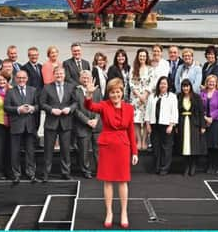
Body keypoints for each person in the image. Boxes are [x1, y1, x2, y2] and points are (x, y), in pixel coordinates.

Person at [84, 77, 139, 229]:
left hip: (123, 147)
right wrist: (88, 95)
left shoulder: (129, 108)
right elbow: (90, 106)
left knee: (123, 181)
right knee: (107, 181)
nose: (115, 95)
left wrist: (134, 152)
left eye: (118, 92)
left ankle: (123, 213)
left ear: (122, 92)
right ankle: (109, 212)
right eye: (112, 92)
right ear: (109, 94)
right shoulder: (103, 105)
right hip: (107, 146)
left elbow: (130, 130)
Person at [40, 66, 77, 181]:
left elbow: (75, 102)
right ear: (54, 75)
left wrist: (70, 109)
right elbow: (42, 103)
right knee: (48, 150)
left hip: (66, 123)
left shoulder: (70, 87)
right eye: (57, 74)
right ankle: (46, 174)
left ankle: (65, 173)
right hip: (51, 122)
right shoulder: (47, 87)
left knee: (65, 150)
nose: (59, 76)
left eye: (61, 74)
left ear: (64, 75)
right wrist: (51, 110)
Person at [4, 69, 39, 184]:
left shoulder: (33, 90)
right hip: (16, 125)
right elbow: (6, 107)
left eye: (23, 78)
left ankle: (31, 174)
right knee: (15, 152)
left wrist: (33, 108)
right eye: (19, 78)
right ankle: (16, 175)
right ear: (15, 79)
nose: (21, 80)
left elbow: (38, 106)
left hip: (30, 125)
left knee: (30, 152)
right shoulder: (10, 91)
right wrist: (18, 109)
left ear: (27, 79)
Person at [145, 76, 178, 175]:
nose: (162, 85)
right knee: (156, 147)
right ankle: (157, 167)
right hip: (154, 124)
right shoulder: (152, 96)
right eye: (161, 83)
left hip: (166, 125)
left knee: (166, 147)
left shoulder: (172, 96)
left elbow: (174, 112)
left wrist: (171, 125)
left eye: (164, 83)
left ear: (168, 85)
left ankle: (164, 168)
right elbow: (148, 111)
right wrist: (148, 124)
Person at [73, 70, 102, 179]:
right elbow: (76, 110)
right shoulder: (76, 91)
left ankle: (100, 170)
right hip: (82, 125)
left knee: (98, 150)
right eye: (83, 78)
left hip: (96, 125)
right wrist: (87, 121)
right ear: (80, 79)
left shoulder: (97, 91)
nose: (85, 80)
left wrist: (96, 119)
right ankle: (86, 170)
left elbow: (101, 107)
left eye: (87, 78)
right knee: (84, 150)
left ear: (91, 78)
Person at [201, 74, 218, 174]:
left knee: (215, 145)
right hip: (205, 121)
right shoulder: (201, 93)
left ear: (216, 83)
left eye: (213, 82)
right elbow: (199, 107)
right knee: (208, 145)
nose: (211, 83)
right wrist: (205, 117)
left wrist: (212, 118)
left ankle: (216, 166)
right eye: (210, 81)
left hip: (216, 122)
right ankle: (209, 165)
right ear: (206, 82)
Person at [130, 48, 153, 150]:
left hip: (147, 97)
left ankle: (144, 141)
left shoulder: (150, 69)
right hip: (136, 98)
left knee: (147, 119)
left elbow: (152, 83)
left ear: (146, 57)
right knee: (137, 120)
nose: (142, 58)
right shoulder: (133, 68)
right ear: (137, 57)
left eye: (144, 56)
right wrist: (139, 96)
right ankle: (138, 141)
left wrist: (145, 95)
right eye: (140, 56)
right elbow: (131, 84)